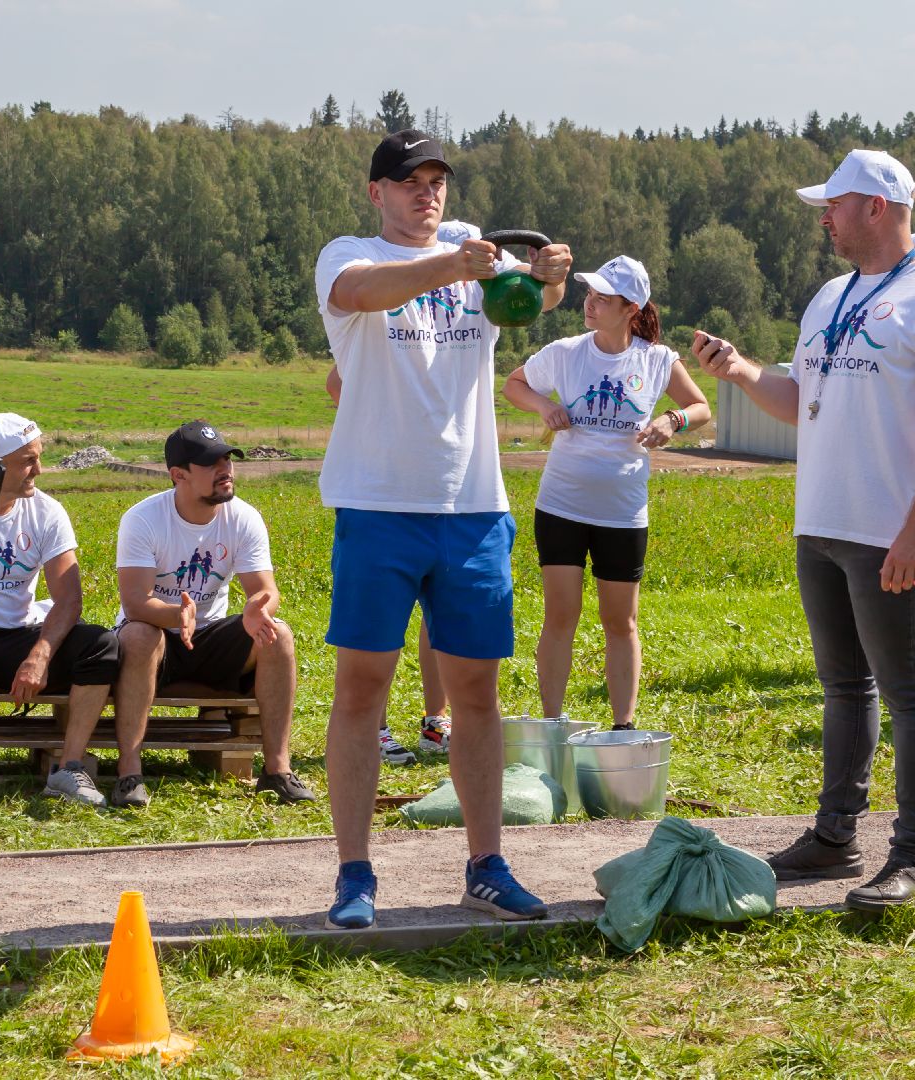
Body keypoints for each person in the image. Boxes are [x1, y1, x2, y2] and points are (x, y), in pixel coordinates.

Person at [694, 149, 915, 909]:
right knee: (844, 689)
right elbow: (801, 400)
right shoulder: (832, 295)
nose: (824, 218)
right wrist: (739, 371)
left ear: (877, 207)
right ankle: (834, 839)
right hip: (824, 522)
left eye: (834, 205)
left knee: (909, 693)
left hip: (894, 532)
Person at [315, 128, 573, 929]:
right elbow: (365, 293)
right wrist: (457, 265)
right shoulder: (348, 255)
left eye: (437, 181)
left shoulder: (471, 250)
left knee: (476, 697)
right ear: (377, 192)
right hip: (377, 504)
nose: (426, 193)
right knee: (362, 691)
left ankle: (486, 867)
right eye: (409, 181)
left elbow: (524, 303)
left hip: (472, 508)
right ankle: (354, 875)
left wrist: (552, 281)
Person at [501, 256, 710, 730]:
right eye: (589, 295)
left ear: (631, 308)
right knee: (561, 616)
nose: (589, 304)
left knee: (621, 622)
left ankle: (623, 728)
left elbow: (700, 407)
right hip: (561, 507)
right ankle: (552, 725)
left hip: (622, 512)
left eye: (602, 298)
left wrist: (672, 420)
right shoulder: (565, 352)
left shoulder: (657, 359)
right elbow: (515, 384)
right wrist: (544, 406)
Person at [113, 421, 316, 808]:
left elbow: (265, 589)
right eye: (211, 464)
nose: (225, 469)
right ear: (179, 475)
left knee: (279, 635)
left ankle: (277, 770)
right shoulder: (143, 518)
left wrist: (259, 609)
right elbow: (136, 603)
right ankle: (129, 773)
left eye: (227, 459)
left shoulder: (243, 517)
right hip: (158, 636)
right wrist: (176, 616)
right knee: (138, 635)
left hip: (208, 637)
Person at [0, 414, 119, 806]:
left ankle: (68, 768)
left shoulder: (46, 511)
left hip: (19, 635)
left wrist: (40, 655)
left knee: (101, 645)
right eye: (28, 461)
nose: (39, 470)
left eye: (39, 457)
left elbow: (69, 599)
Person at [324, 365, 449, 762]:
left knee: (440, 615)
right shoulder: (377, 338)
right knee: (378, 623)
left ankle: (436, 723)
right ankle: (375, 729)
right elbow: (336, 382)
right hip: (379, 498)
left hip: (441, 494)